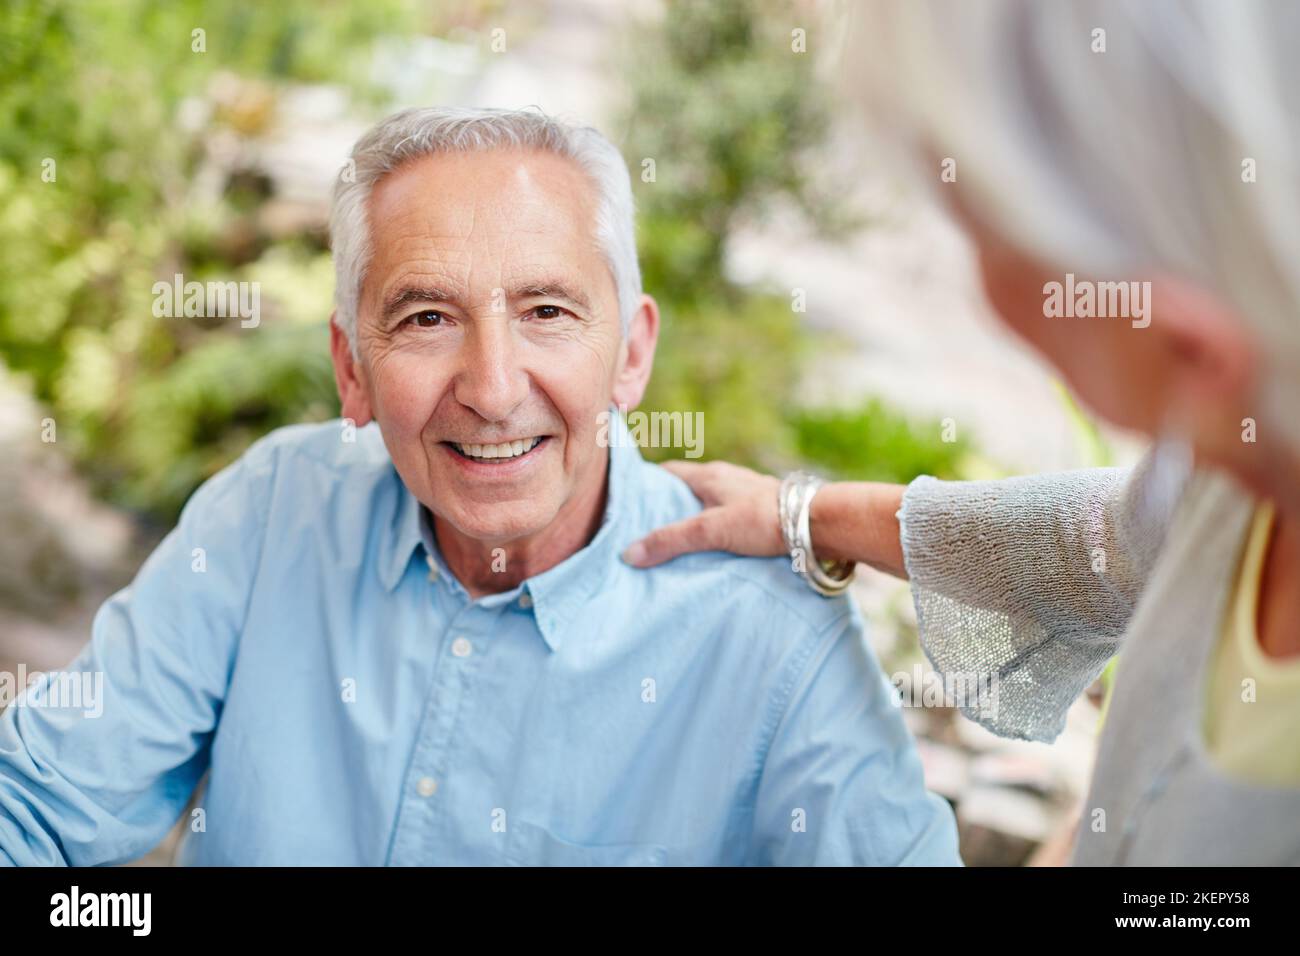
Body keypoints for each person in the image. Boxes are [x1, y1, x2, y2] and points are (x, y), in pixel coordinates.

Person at [0, 107, 959, 866]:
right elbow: (40, 806)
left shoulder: (772, 635)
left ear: (631, 354)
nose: (494, 390)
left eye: (546, 310)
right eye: (425, 318)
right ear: (351, 370)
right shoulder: (271, 513)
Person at [624, 0, 1300, 864]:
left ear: (1191, 346)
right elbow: (1099, 540)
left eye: (985, 236)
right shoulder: (1233, 472)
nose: (986, 297)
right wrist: (809, 514)